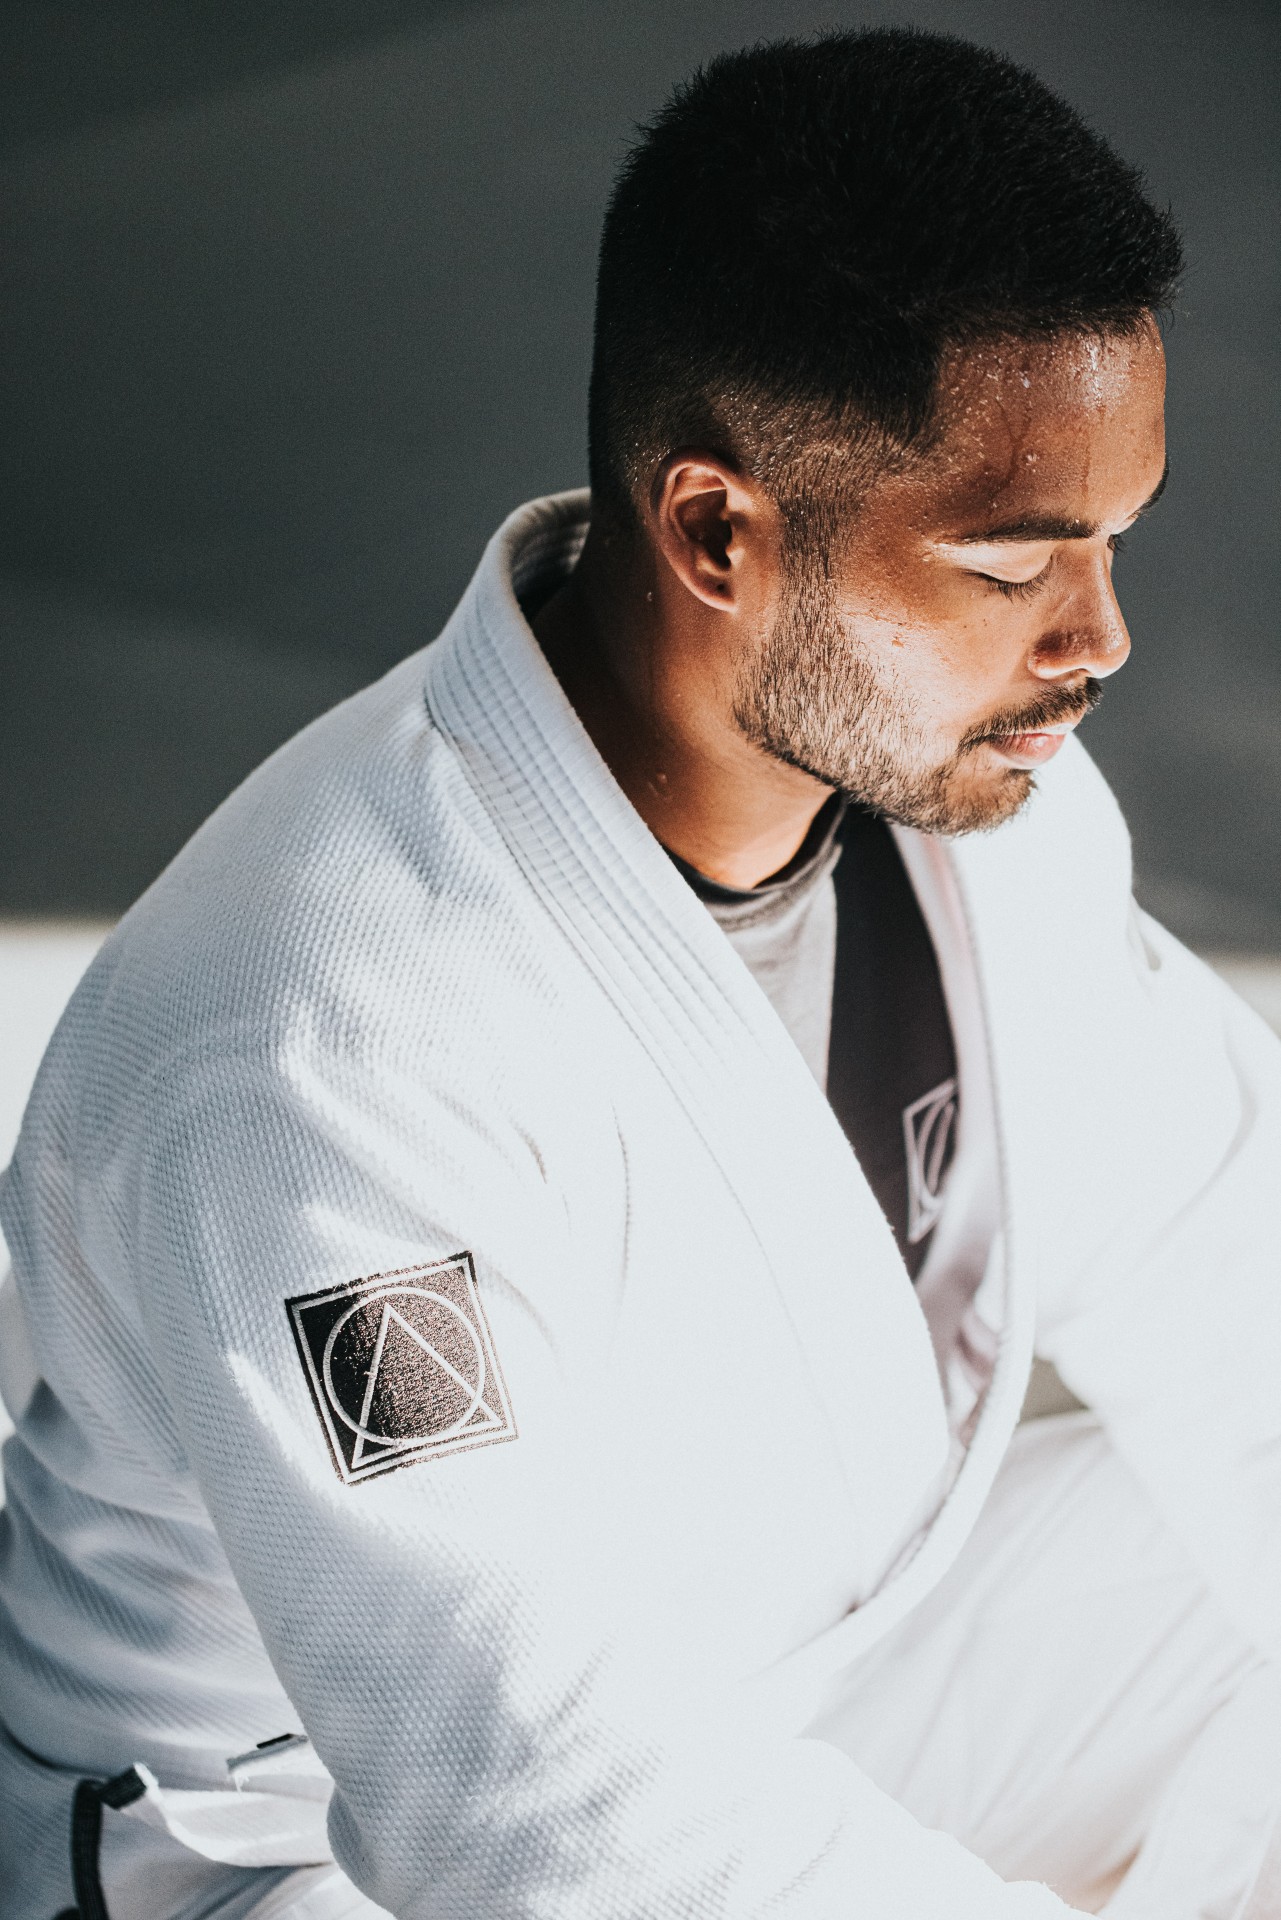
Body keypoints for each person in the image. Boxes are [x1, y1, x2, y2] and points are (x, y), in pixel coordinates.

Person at [2, 25, 1280, 1920]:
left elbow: (1232, 1272)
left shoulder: (984, 804)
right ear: (714, 531)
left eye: (1114, 541)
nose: (1098, 639)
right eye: (1015, 563)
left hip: (783, 1672)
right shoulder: (317, 1037)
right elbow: (530, 1806)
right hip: (310, 1847)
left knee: (1211, 1572)